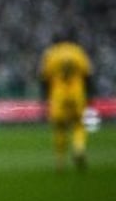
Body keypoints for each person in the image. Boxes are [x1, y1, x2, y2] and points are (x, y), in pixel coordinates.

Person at [39, 36, 94, 171]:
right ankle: (78, 148)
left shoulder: (52, 53)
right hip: (76, 92)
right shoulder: (77, 51)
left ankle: (60, 161)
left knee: (59, 127)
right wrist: (89, 94)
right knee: (78, 124)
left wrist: (45, 97)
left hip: (58, 94)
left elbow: (44, 77)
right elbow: (88, 74)